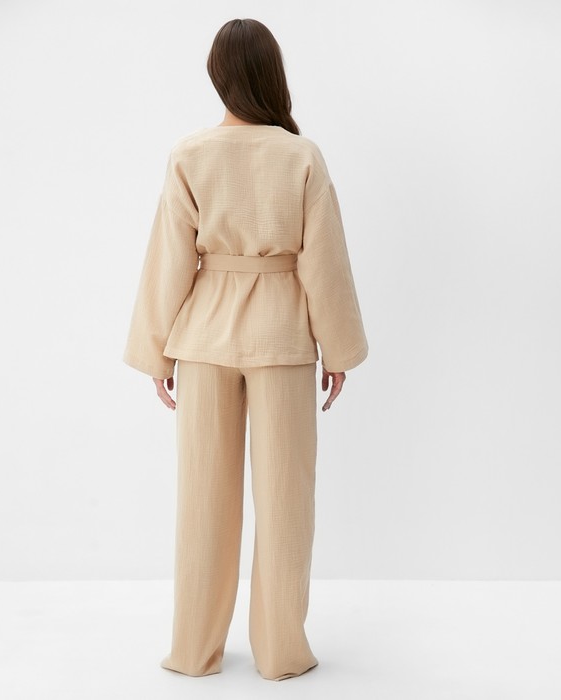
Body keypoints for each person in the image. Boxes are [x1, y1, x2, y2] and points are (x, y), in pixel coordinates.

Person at [123, 17, 369, 681]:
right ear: (271, 74)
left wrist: (156, 352)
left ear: (217, 76)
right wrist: (338, 349)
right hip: (282, 338)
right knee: (287, 500)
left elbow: (170, 260)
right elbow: (325, 262)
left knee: (202, 499)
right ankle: (282, 652)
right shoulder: (301, 156)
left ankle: (193, 650)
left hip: (204, 338)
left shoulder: (189, 155)